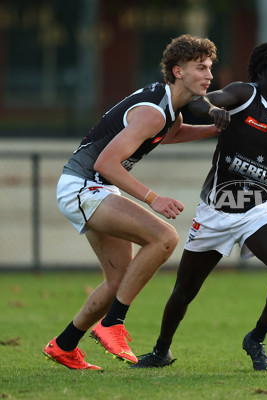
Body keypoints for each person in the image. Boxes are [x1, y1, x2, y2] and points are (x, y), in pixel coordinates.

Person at [132, 40, 267, 371]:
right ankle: (161, 350)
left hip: (259, 208)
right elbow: (195, 103)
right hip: (216, 209)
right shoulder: (243, 95)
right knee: (185, 290)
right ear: (261, 73)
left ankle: (256, 339)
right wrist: (213, 110)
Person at [43, 34, 220, 370]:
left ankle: (64, 345)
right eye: (201, 67)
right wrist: (154, 199)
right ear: (178, 71)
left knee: (119, 283)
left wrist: (215, 129)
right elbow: (105, 164)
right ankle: (112, 324)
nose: (209, 74)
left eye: (210, 66)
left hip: (94, 188)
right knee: (165, 237)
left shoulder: (170, 109)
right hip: (84, 186)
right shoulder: (155, 111)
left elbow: (172, 133)